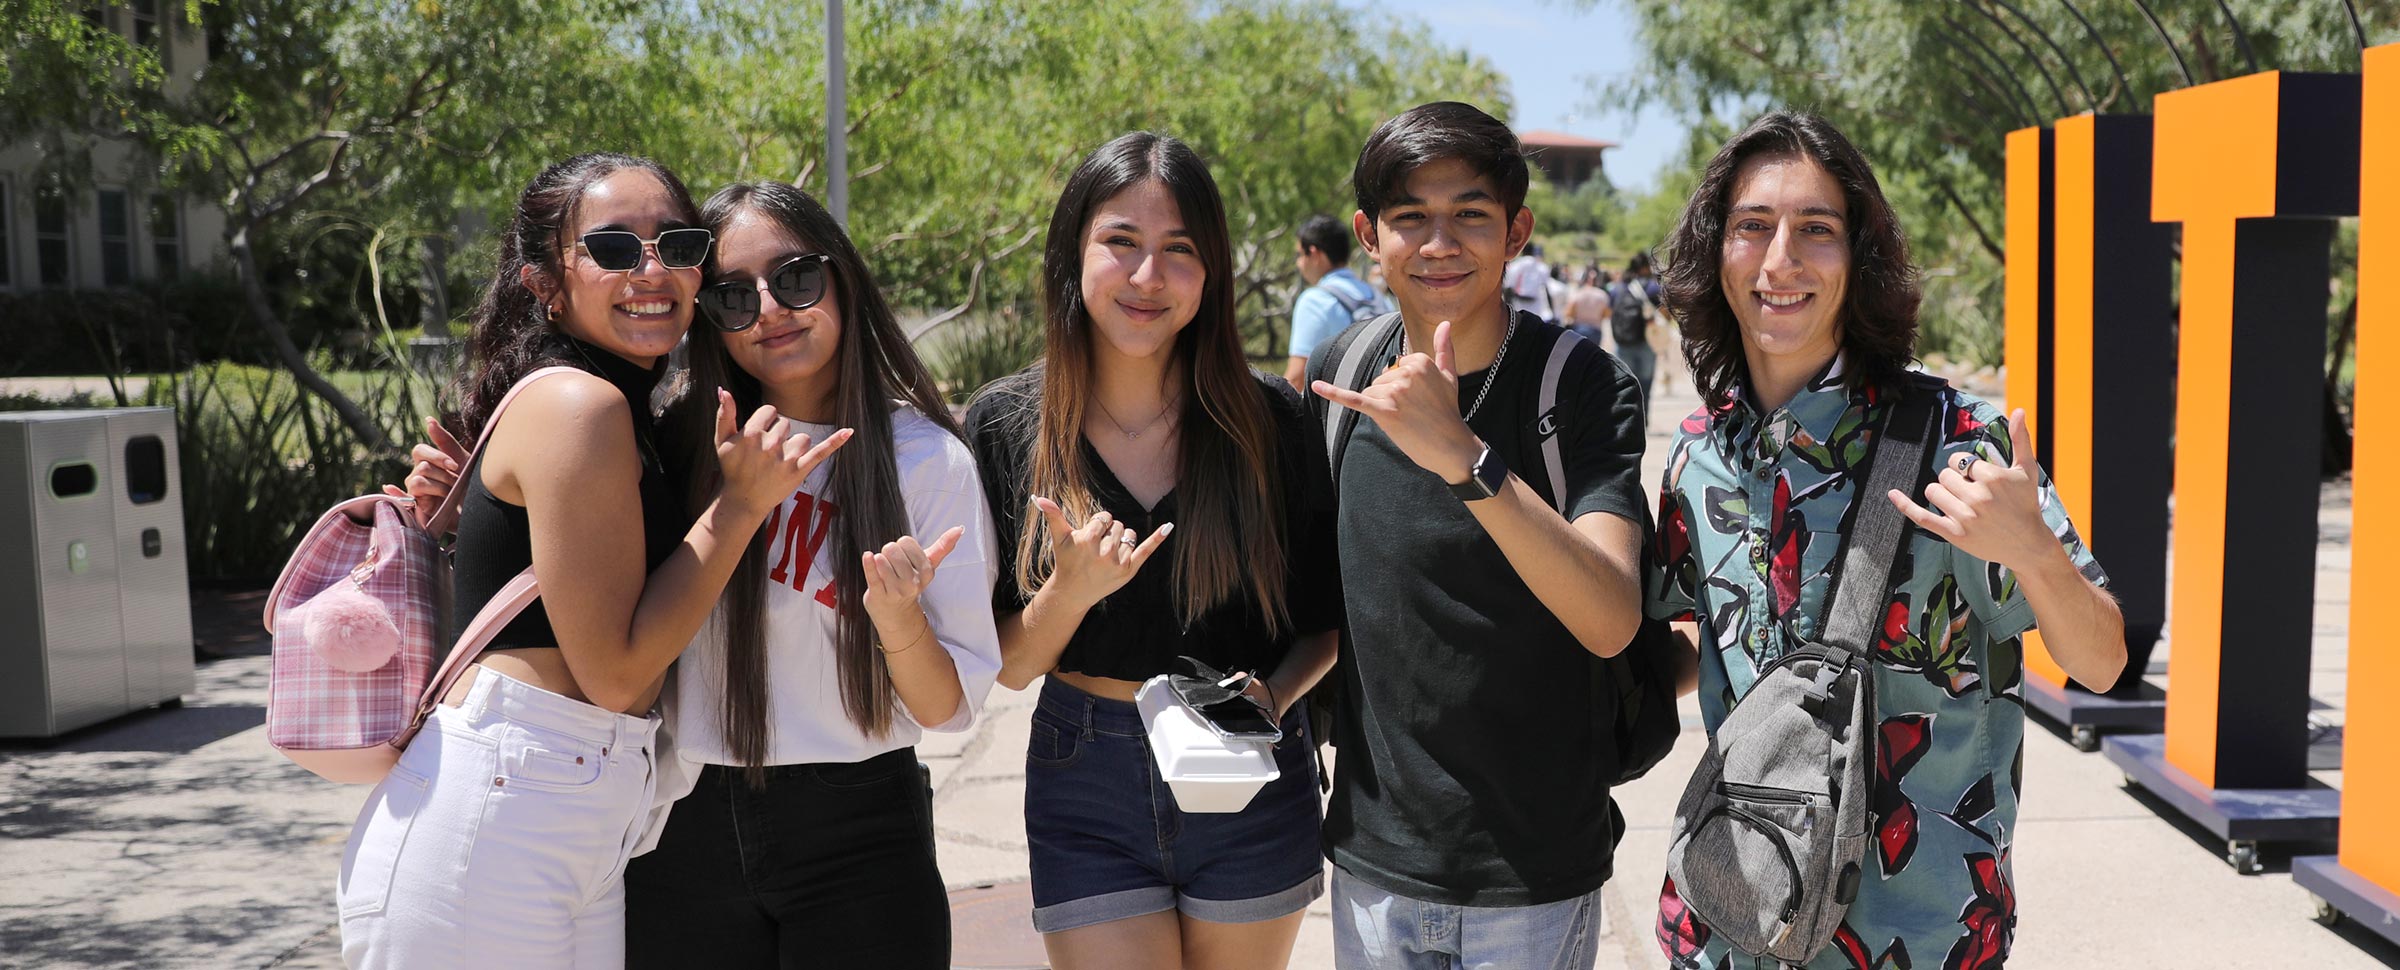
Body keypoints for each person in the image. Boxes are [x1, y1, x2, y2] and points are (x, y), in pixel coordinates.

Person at [1646, 111, 2124, 970]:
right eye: (1753, 226)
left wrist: (2037, 551)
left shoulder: (1961, 444)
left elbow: (2100, 661)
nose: (1780, 259)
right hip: (1733, 920)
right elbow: (1690, 640)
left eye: (1816, 230)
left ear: (1858, 256)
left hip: (1915, 933)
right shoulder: (1698, 457)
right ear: (1716, 252)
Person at [341, 153, 841, 968]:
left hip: (562, 812)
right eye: (612, 250)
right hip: (503, 818)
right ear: (546, 282)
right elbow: (614, 672)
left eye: (677, 245)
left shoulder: (622, 405)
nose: (652, 270)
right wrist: (742, 505)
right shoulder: (582, 402)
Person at [965, 131, 1343, 970]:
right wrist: (1068, 592)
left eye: (1179, 250)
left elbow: (1325, 627)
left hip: (1247, 767)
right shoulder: (1004, 425)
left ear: (1211, 274)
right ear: (1074, 253)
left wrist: (1271, 699)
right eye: (1121, 243)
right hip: (1084, 774)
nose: (1147, 278)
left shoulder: (1272, 424)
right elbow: (1011, 666)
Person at [620, 181, 1004, 968]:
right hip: (686, 819)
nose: (768, 308)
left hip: (861, 828)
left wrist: (899, 621)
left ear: (843, 281)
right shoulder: (674, 445)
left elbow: (943, 707)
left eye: (795, 277)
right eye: (732, 295)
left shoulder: (926, 461)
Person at [1304, 101, 1650, 970]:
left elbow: (1611, 616)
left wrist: (1467, 457)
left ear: (1517, 231)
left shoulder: (1577, 386)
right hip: (1374, 859)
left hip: (1530, 871)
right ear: (1368, 236)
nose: (1438, 243)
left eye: (1470, 216)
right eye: (1409, 218)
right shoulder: (1344, 375)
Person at [1284, 213, 1382, 392]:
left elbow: (1296, 379)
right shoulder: (1374, 295)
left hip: (1338, 415)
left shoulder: (1314, 300)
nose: (1298, 263)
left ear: (1314, 253)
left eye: (1299, 255)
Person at [1609, 251, 1661, 405]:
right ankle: (1643, 422)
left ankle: (1626, 422)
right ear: (1645, 268)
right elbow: (1665, 310)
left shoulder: (1617, 288)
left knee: (1624, 384)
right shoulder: (1651, 287)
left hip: (1622, 341)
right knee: (1644, 384)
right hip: (1646, 342)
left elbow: (1611, 310)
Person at [1502, 238, 1556, 323]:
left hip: (1518, 305)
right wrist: (1553, 311)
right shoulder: (1542, 267)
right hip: (1536, 307)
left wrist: (1508, 310)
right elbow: (1547, 291)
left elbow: (1508, 289)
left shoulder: (1515, 266)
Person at [1563, 265, 1612, 345]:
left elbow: (1568, 313)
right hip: (1596, 330)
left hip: (1579, 329)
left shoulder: (1577, 294)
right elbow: (1607, 314)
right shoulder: (1602, 295)